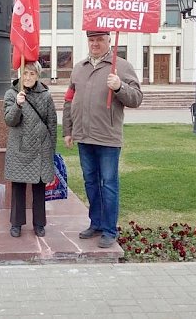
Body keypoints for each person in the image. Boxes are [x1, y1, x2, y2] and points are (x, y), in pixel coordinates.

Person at [63, 30, 143, 248]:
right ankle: (96, 223)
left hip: (107, 137)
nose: (95, 43)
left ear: (109, 41)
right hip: (84, 136)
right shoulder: (79, 68)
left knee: (108, 184)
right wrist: (68, 130)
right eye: (91, 40)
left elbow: (137, 98)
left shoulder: (121, 66)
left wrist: (119, 86)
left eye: (100, 39)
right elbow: (69, 100)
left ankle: (109, 229)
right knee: (90, 182)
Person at [3, 61, 57, 238]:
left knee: (39, 188)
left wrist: (51, 150)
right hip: (20, 149)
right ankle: (16, 223)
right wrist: (17, 105)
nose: (27, 77)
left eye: (32, 74)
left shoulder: (46, 95)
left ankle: (39, 223)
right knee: (18, 187)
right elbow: (10, 121)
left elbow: (52, 124)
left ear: (38, 76)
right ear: (20, 74)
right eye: (25, 73)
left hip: (41, 148)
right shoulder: (12, 94)